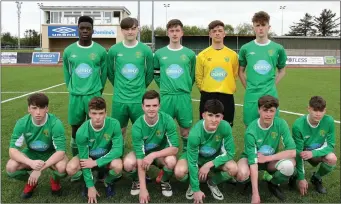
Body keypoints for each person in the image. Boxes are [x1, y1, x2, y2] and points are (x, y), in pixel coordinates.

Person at [62, 15, 108, 181]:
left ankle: (100, 164)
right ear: (78, 29)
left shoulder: (100, 51)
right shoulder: (69, 51)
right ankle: (79, 163)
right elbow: (67, 73)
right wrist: (72, 89)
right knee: (76, 129)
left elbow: (104, 74)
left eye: (88, 28)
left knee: (97, 128)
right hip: (75, 96)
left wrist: (98, 90)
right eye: (82, 28)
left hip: (93, 94)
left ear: (92, 30)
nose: (85, 31)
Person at [174, 99, 238, 202]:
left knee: (233, 168)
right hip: (195, 157)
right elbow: (192, 161)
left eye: (217, 116)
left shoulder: (225, 127)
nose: (214, 119)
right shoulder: (195, 133)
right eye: (210, 115)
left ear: (222, 117)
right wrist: (196, 189)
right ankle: (192, 182)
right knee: (179, 172)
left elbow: (230, 153)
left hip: (213, 157)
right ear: (204, 115)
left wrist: (209, 165)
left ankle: (212, 182)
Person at [6, 93, 68, 199]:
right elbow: (12, 150)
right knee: (11, 167)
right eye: (34, 108)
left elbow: (61, 152)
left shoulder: (55, 123)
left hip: (51, 153)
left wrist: (38, 170)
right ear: (29, 109)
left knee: (62, 168)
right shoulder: (22, 123)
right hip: (32, 153)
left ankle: (55, 180)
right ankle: (31, 182)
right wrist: (30, 162)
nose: (38, 112)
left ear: (47, 109)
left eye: (41, 108)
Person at [236, 95, 296, 203]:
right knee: (241, 174)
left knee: (290, 165)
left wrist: (268, 158)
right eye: (265, 110)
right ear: (259, 110)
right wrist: (255, 194)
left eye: (271, 111)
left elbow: (292, 151)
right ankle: (249, 182)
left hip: (269, 161)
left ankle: (272, 183)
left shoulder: (281, 124)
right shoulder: (251, 131)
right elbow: (253, 162)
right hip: (250, 159)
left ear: (276, 111)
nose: (268, 114)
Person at [123, 90, 179, 203]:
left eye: (154, 105)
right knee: (128, 163)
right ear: (142, 107)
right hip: (143, 154)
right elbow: (140, 158)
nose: (151, 108)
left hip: (160, 154)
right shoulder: (137, 126)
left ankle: (164, 180)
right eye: (148, 105)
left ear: (159, 106)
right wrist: (143, 190)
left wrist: (153, 155)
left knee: (172, 161)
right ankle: (138, 181)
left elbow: (175, 148)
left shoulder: (167, 120)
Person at [153, 19, 196, 162]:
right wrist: (165, 86)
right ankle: (165, 159)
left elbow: (192, 75)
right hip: (167, 96)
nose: (175, 33)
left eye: (177, 30)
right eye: (172, 31)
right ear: (167, 33)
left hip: (183, 96)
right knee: (165, 129)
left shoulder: (189, 54)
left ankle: (185, 157)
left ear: (182, 32)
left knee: (185, 129)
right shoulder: (160, 53)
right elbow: (156, 74)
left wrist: (185, 87)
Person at [66, 97, 123, 203]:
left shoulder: (114, 124)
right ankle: (89, 181)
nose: (98, 117)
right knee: (71, 168)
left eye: (101, 113)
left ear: (106, 113)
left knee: (118, 166)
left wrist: (96, 162)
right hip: (88, 158)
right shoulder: (82, 131)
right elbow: (84, 159)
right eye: (94, 113)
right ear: (89, 113)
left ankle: (108, 181)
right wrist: (90, 186)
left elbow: (118, 150)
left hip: (105, 157)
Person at [238, 11, 287, 127]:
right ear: (253, 27)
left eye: (263, 25)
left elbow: (282, 70)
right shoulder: (246, 48)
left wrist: (272, 85)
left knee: (271, 125)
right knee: (250, 126)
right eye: (257, 25)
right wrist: (248, 87)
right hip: (251, 95)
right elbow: (240, 71)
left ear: (268, 27)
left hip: (270, 94)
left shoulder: (278, 48)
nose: (261, 28)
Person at [107, 17, 154, 138]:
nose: (130, 32)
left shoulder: (145, 50)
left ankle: (142, 154)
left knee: (142, 131)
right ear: (122, 30)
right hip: (119, 99)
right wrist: (118, 85)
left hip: (138, 99)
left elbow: (149, 74)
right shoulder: (114, 50)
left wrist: (141, 86)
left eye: (133, 28)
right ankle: (119, 153)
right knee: (119, 130)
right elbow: (110, 73)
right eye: (127, 29)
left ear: (138, 30)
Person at [289, 96, 337, 195]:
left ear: (325, 110)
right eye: (315, 110)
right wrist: (301, 178)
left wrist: (313, 153)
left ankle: (316, 178)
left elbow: (330, 145)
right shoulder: (298, 125)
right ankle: (295, 175)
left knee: (332, 158)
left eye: (321, 110)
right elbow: (298, 152)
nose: (318, 114)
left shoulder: (329, 121)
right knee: (289, 163)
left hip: (317, 153)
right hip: (302, 152)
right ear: (309, 109)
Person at [195, 20, 239, 127]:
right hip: (208, 95)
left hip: (226, 95)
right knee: (207, 126)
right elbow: (199, 76)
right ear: (210, 34)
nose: (217, 33)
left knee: (226, 126)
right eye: (214, 31)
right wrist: (205, 89)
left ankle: (224, 144)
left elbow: (234, 75)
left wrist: (227, 87)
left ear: (224, 34)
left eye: (220, 31)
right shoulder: (202, 55)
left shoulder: (233, 55)